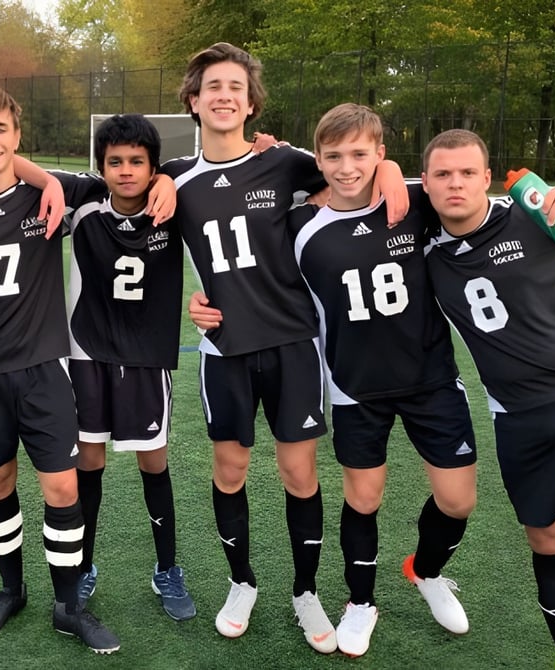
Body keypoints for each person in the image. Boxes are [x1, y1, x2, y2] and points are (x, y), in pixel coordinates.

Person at [161, 42, 407, 651]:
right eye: (212, 86)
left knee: (299, 473)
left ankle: (304, 591)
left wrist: (395, 169)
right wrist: (191, 301)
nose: (224, 95)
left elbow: (360, 166)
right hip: (225, 349)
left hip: (295, 343)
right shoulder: (175, 179)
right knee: (231, 467)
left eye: (235, 87)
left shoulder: (285, 162)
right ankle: (241, 580)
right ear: (194, 101)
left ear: (251, 103)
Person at [421, 130, 555, 670]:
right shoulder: (419, 247)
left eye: (467, 173)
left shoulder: (534, 211)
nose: (455, 184)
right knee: (550, 536)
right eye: (442, 174)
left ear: (487, 177)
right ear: (423, 182)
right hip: (519, 416)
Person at [0, 86, 123, 654]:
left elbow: (132, 178)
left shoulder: (55, 195)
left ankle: (68, 604)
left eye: (1, 130)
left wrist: (160, 181)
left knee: (62, 486)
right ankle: (11, 589)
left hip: (44, 367)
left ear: (18, 137)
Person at [287, 103, 475, 656]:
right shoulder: (301, 225)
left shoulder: (416, 202)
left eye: (361, 155)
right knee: (363, 498)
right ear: (317, 159)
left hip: (430, 378)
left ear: (381, 156)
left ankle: (426, 570)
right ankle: (360, 602)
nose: (347, 167)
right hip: (354, 386)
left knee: (459, 500)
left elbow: (492, 223)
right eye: (334, 156)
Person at [67, 114, 195, 621]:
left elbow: (216, 168)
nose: (125, 171)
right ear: (101, 167)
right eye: (115, 162)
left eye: (137, 163)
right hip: (87, 354)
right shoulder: (82, 201)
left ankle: (166, 568)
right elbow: (15, 170)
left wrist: (168, 180)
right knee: (89, 463)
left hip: (145, 359)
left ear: (154, 166)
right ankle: (81, 567)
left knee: (153, 461)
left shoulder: (175, 201)